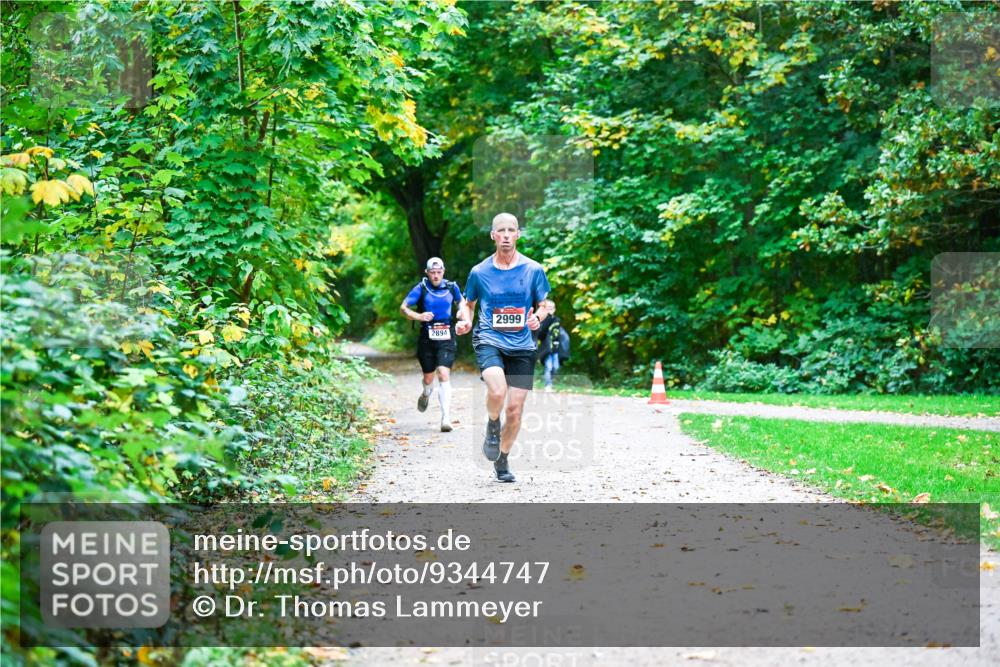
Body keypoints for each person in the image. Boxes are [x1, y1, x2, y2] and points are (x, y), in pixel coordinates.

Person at [456, 212, 551, 483]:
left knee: (515, 410)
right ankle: (492, 423)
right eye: (501, 230)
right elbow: (468, 303)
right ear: (493, 235)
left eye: (511, 230)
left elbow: (544, 304)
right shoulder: (479, 272)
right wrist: (465, 320)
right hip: (489, 339)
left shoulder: (533, 269)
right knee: (497, 391)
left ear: (518, 234)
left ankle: (503, 459)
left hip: (523, 345)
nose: (506, 235)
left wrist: (537, 317)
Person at [400, 257, 466, 432]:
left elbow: (461, 301)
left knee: (443, 373)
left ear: (443, 271)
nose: (436, 276)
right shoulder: (421, 288)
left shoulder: (451, 287)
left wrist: (461, 311)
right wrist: (419, 316)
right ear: (427, 273)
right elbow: (403, 307)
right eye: (432, 272)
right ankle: (426, 393)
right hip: (427, 338)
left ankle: (446, 418)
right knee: (428, 379)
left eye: (439, 272)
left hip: (446, 335)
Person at [536, 299, 568, 391]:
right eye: (548, 307)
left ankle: (550, 382)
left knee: (556, 367)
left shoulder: (557, 320)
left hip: (556, 349)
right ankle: (548, 385)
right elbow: (540, 335)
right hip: (547, 349)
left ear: (554, 309)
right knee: (548, 367)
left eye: (552, 308)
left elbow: (560, 333)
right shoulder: (543, 321)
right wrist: (547, 318)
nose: (550, 309)